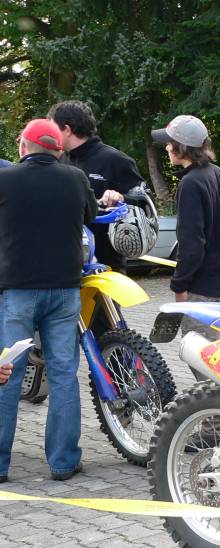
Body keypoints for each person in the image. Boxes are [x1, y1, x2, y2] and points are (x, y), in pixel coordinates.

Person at [0, 119, 97, 483]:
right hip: (65, 291)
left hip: (18, 292)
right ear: (58, 150)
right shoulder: (76, 178)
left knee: (7, 374)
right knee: (63, 374)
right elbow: (91, 216)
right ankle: (63, 462)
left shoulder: (5, 180)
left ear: (23, 147)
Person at [151, 115, 220, 302]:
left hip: (199, 288)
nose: (166, 148)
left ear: (181, 147)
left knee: (192, 325)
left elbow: (192, 243)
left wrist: (180, 285)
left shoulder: (190, 183)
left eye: (169, 143)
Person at [48, 100, 148, 273]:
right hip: (65, 265)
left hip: (107, 266)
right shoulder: (58, 161)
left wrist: (122, 198)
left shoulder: (116, 160)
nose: (49, 134)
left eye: (52, 128)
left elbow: (146, 204)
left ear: (67, 130)